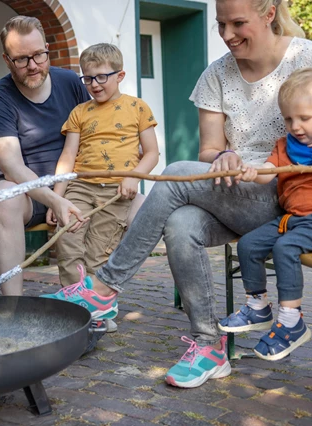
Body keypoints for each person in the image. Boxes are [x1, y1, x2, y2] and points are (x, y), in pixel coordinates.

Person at [43, 0, 312, 388]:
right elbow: (208, 151)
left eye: (238, 23)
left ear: (269, 14)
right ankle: (209, 345)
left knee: (175, 172)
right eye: (220, 24)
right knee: (180, 221)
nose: (227, 35)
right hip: (232, 194)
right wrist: (225, 156)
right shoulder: (216, 74)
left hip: (287, 198)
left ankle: (104, 287)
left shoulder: (304, 59)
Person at [42, 43, 159, 325]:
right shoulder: (80, 113)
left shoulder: (137, 108)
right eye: (88, 78)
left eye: (101, 77)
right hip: (79, 188)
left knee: (99, 251)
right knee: (68, 239)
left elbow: (153, 153)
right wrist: (56, 198)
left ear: (120, 75)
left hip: (117, 192)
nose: (94, 84)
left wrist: (133, 176)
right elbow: (68, 156)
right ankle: (73, 307)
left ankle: (98, 307)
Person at [0, 15, 90, 297]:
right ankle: (13, 308)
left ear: (47, 49)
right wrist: (54, 198)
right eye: (21, 59)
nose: (33, 66)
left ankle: (98, 299)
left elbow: (93, 135)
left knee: (138, 203)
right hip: (25, 195)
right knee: (5, 197)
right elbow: (12, 167)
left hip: (71, 187)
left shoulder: (70, 82)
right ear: (7, 60)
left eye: (39, 55)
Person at [218, 68, 312, 360]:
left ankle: (291, 321)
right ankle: (258, 306)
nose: (295, 126)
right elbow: (269, 171)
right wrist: (251, 172)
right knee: (248, 244)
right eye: (288, 119)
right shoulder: (284, 146)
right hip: (290, 219)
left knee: (285, 249)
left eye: (304, 118)